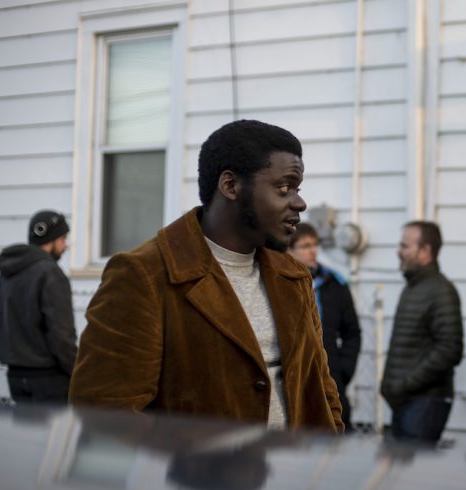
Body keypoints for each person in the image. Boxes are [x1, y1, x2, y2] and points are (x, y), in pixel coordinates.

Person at [70, 119, 343, 432]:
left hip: (300, 475)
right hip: (197, 480)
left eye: (297, 189)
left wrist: (328, 453)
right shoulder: (143, 275)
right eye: (284, 188)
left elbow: (322, 387)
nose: (299, 202)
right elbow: (105, 414)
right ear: (230, 186)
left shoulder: (294, 275)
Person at [380, 221, 463, 443]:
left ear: (425, 251)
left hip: (425, 403)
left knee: (412, 475)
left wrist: (404, 385)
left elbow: (450, 350)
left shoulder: (441, 291)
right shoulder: (413, 287)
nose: (399, 252)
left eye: (405, 246)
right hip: (407, 402)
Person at [0, 210, 77, 404]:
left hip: (15, 377)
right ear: (50, 239)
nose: (65, 245)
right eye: (63, 238)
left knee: (26, 434)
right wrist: (76, 370)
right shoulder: (50, 273)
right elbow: (61, 333)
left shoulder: (5, 275)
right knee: (55, 435)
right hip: (49, 380)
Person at [288, 223, 361, 430]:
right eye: (305, 246)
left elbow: (352, 332)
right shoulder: (279, 282)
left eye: (315, 245)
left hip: (331, 378)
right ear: (288, 250)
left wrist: (344, 370)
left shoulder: (335, 283)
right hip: (294, 378)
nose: (314, 251)